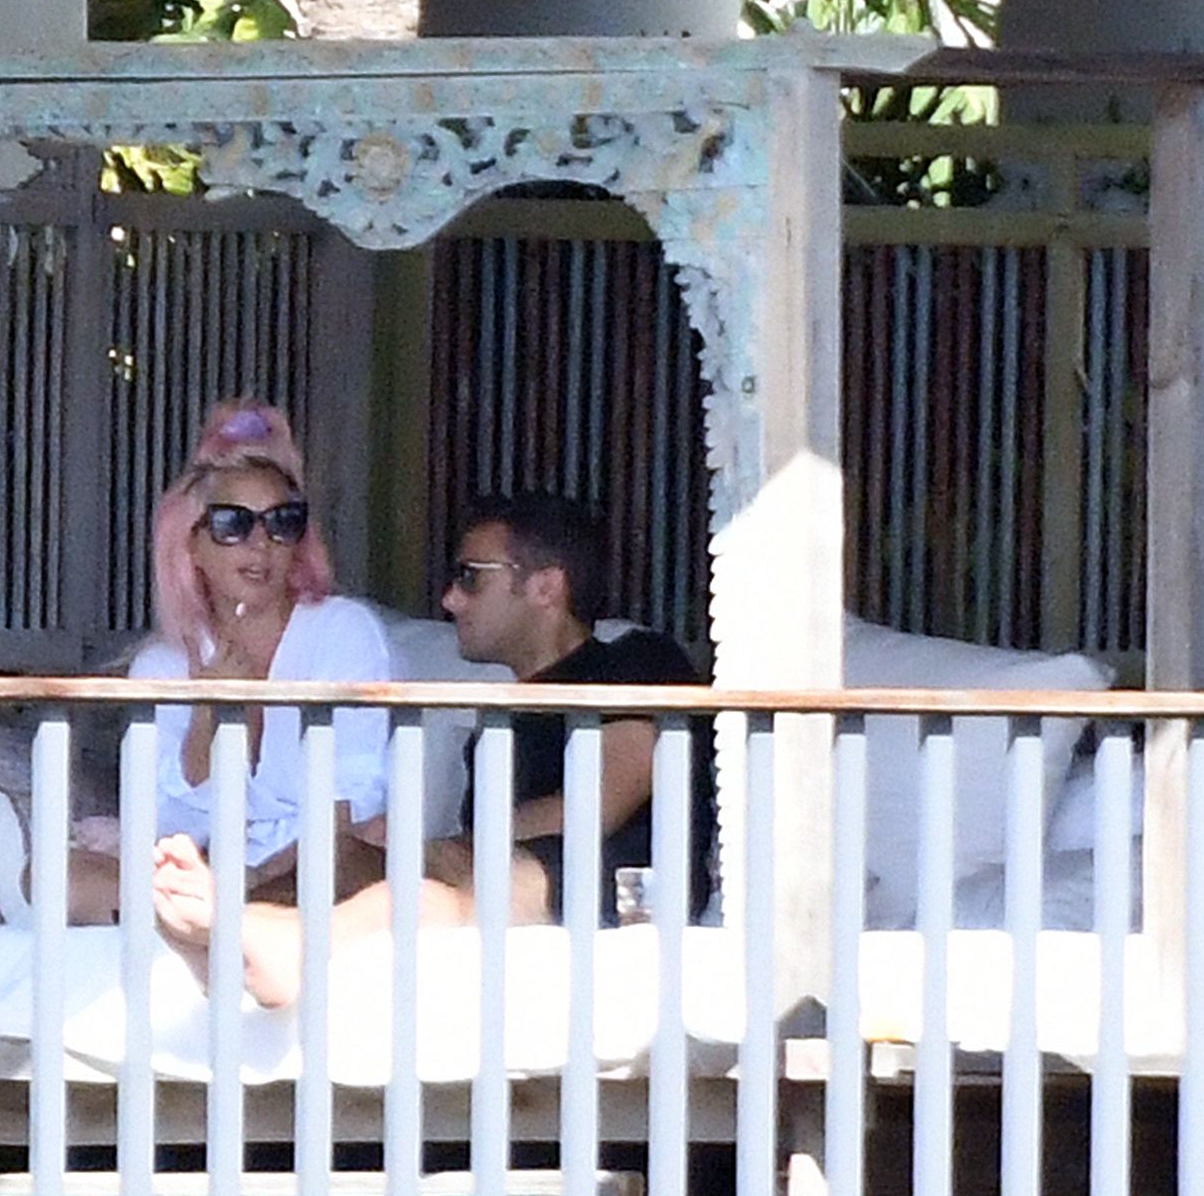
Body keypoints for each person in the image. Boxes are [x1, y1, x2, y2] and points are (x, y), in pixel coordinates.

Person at [152, 492, 715, 1006]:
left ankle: (280, 949)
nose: (450, 599)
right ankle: (235, 930)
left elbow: (592, 810)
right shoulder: (497, 723)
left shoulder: (637, 659)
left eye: (471, 578)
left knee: (420, 894)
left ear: (545, 587)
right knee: (342, 856)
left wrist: (434, 849)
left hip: (621, 883)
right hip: (507, 874)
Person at [63, 400, 392, 923]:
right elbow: (162, 823)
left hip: (308, 866)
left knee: (355, 855)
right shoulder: (163, 663)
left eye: (282, 523)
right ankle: (223, 924)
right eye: (232, 524)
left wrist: (257, 880)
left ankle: (220, 925)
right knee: (56, 877)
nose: (260, 543)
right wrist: (209, 714)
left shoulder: (342, 630)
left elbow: (356, 802)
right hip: (202, 870)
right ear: (191, 544)